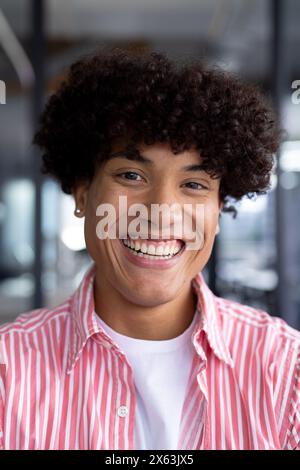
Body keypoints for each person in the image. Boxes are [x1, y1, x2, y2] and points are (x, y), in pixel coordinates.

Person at [0, 49, 299, 450]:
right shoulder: (8, 371)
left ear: (217, 209)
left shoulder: (285, 370)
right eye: (131, 174)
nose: (160, 212)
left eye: (194, 184)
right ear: (83, 195)